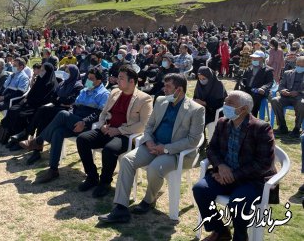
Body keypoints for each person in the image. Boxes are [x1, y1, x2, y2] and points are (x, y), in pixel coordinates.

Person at [98, 73, 205, 223]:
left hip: (175, 153)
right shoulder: (161, 101)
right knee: (128, 160)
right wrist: (148, 141)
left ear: (179, 90)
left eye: (168, 86)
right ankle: (121, 208)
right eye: (164, 85)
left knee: (155, 167)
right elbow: (149, 126)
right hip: (152, 145)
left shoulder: (196, 109)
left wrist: (165, 148)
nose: (164, 89)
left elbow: (193, 140)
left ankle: (148, 200)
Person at [193, 90, 276, 241]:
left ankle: (240, 236)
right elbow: (211, 149)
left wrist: (234, 175)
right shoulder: (223, 122)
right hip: (223, 174)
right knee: (200, 189)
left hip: (252, 180)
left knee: (237, 202)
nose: (225, 106)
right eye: (225, 102)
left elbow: (264, 163)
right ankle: (220, 231)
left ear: (243, 109)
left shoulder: (261, 128)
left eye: (230, 103)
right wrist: (221, 166)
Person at [19, 67, 110, 183]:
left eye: (91, 79)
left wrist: (84, 122)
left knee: (62, 113)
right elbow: (74, 107)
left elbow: (99, 114)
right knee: (58, 131)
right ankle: (53, 170)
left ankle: (38, 141)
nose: (88, 80)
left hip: (88, 125)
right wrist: (71, 116)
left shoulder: (104, 94)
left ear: (99, 80)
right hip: (75, 120)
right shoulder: (84, 90)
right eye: (88, 77)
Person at [76, 65, 153, 198]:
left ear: (132, 81)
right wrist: (102, 126)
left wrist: (119, 130)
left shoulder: (144, 99)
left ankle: (105, 182)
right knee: (82, 139)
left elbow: (143, 125)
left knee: (109, 149)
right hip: (107, 130)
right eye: (118, 77)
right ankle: (92, 176)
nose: (118, 80)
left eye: (121, 78)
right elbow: (103, 113)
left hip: (125, 135)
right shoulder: (114, 92)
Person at [25, 64, 84, 164]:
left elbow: (70, 101)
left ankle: (32, 139)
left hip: (66, 111)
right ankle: (36, 149)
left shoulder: (78, 86)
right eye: (65, 71)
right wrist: (60, 101)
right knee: (42, 113)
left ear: (73, 73)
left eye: (68, 72)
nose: (66, 74)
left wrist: (59, 100)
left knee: (43, 112)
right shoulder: (63, 83)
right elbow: (53, 96)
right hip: (58, 107)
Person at [2, 63, 58, 149]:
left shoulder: (51, 83)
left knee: (21, 115)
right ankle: (13, 136)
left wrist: (31, 101)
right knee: (13, 110)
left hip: (39, 107)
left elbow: (46, 99)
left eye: (43, 70)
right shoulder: (40, 78)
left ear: (48, 71)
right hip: (30, 103)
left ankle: (21, 140)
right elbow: (32, 91)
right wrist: (27, 100)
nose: (41, 71)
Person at [271, 56, 304, 138]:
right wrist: (283, 91)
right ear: (295, 64)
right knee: (275, 100)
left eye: (302, 66)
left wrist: (298, 92)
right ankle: (282, 127)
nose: (299, 67)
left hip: (299, 97)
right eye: (298, 65)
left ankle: (297, 128)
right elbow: (281, 86)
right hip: (286, 97)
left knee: (302, 103)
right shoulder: (287, 73)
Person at [239, 50, 274, 117]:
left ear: (261, 59)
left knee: (255, 97)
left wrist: (263, 88)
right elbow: (243, 79)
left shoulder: (268, 70)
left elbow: (270, 82)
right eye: (253, 58)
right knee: (238, 96)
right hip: (247, 89)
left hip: (259, 91)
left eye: (256, 58)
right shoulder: (249, 68)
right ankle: (240, 115)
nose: (253, 59)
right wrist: (242, 85)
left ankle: (252, 117)